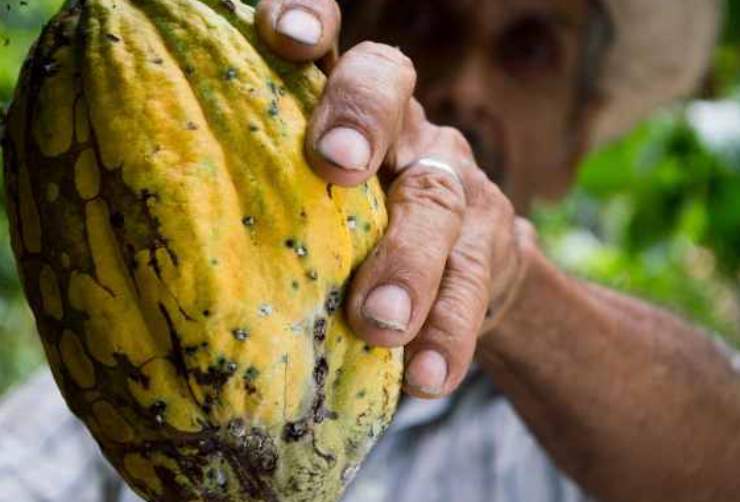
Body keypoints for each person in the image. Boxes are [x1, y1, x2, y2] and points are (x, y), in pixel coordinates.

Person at [0, 0, 736, 501]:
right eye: (426, 17)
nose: (463, 83)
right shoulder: (115, 394)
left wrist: (508, 288)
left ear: (578, 137)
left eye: (530, 48)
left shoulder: (610, 422)